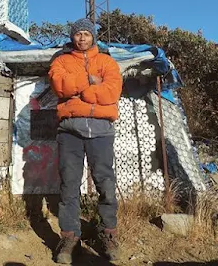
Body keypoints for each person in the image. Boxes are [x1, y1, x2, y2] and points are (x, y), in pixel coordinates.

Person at [48, 18, 123, 264]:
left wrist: (83, 90)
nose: (82, 38)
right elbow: (60, 86)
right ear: (73, 37)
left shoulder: (107, 62)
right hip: (70, 131)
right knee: (69, 185)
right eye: (78, 34)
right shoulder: (61, 60)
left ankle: (108, 233)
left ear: (93, 37)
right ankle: (69, 238)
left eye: (86, 34)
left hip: (101, 130)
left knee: (105, 183)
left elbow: (112, 92)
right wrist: (90, 80)